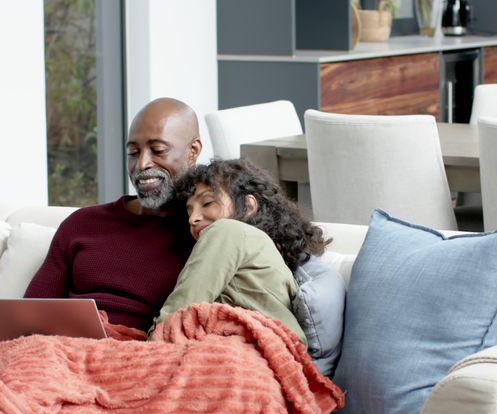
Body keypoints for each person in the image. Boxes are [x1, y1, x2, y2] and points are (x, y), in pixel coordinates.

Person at [24, 98, 201, 331]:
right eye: (133, 152)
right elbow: (28, 315)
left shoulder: (201, 232)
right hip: (61, 349)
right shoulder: (82, 224)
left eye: (158, 150)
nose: (142, 164)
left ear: (193, 151)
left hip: (136, 356)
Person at [153, 159, 329, 346]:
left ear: (248, 206)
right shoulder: (263, 248)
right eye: (190, 211)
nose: (193, 218)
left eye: (207, 203)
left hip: (252, 348)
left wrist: (152, 342)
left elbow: (179, 310)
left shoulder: (227, 230)